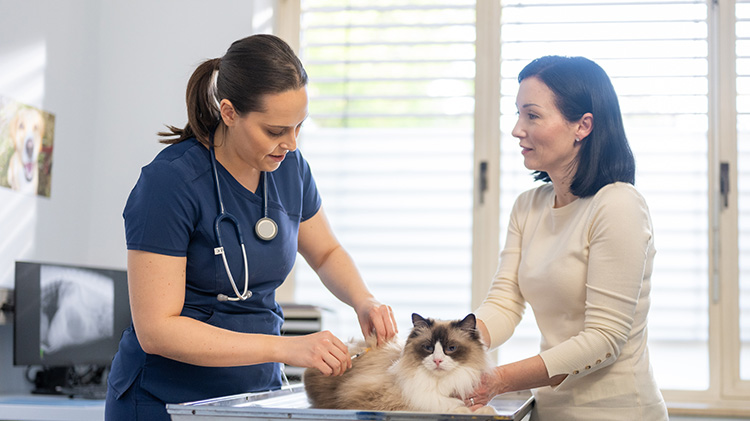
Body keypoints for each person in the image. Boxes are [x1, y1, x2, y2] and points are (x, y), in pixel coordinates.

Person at [105, 34, 398, 420]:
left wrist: (364, 300)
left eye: (299, 127)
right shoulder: (169, 184)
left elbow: (326, 253)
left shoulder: (290, 168)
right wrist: (286, 348)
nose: (291, 144)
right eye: (275, 131)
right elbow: (157, 330)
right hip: (165, 399)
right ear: (228, 112)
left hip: (252, 396)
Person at [465, 56, 668, 420]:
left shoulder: (617, 204)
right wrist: (445, 345)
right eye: (517, 114)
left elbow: (605, 338)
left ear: (583, 126)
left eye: (532, 115)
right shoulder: (528, 206)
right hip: (551, 410)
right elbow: (504, 304)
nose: (516, 129)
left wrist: (497, 379)